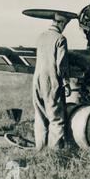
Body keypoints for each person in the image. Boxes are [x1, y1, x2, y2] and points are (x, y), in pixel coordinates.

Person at [32, 12, 73, 150]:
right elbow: (62, 65)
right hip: (51, 80)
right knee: (56, 119)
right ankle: (55, 154)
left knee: (40, 117)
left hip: (37, 80)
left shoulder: (40, 37)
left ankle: (40, 149)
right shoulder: (60, 38)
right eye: (64, 25)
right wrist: (66, 83)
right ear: (61, 23)